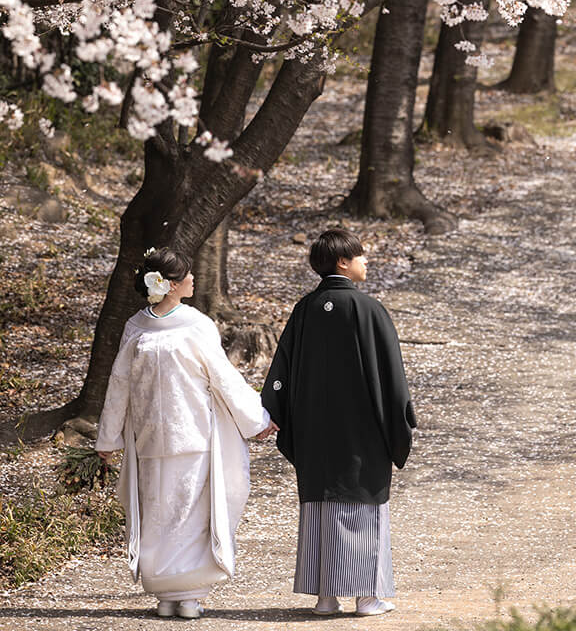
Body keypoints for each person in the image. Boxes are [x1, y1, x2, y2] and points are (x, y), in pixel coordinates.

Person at [96, 246, 276, 620]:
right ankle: (167, 593)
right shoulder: (137, 326)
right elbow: (119, 384)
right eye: (188, 275)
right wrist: (108, 439)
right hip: (151, 439)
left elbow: (223, 378)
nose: (194, 279)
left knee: (189, 515)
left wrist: (256, 419)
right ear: (171, 284)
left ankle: (188, 594)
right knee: (159, 513)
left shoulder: (196, 323)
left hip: (191, 434)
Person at [262, 228, 416, 618]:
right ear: (342, 263)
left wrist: (274, 409)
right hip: (361, 430)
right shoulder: (369, 310)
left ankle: (325, 597)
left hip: (315, 429)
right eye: (361, 256)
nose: (367, 261)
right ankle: (367, 596)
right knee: (362, 502)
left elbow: (281, 371)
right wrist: (402, 414)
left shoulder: (304, 310)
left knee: (320, 504)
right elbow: (392, 376)